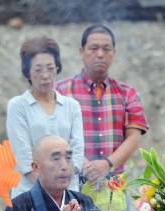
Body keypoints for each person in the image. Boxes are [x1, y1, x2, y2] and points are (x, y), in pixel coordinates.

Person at [56, 24, 148, 184]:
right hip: (72, 181)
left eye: (107, 49)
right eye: (93, 48)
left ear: (114, 53)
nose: (100, 54)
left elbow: (134, 137)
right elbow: (56, 132)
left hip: (114, 185)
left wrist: (107, 164)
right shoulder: (61, 91)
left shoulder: (127, 92)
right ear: (81, 52)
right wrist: (83, 164)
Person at [7, 37, 84, 198]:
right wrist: (50, 193)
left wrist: (62, 190)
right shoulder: (18, 106)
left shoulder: (72, 106)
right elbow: (24, 158)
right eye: (38, 70)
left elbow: (77, 152)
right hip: (29, 195)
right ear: (27, 72)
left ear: (57, 68)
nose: (45, 76)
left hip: (68, 195)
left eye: (50, 68)